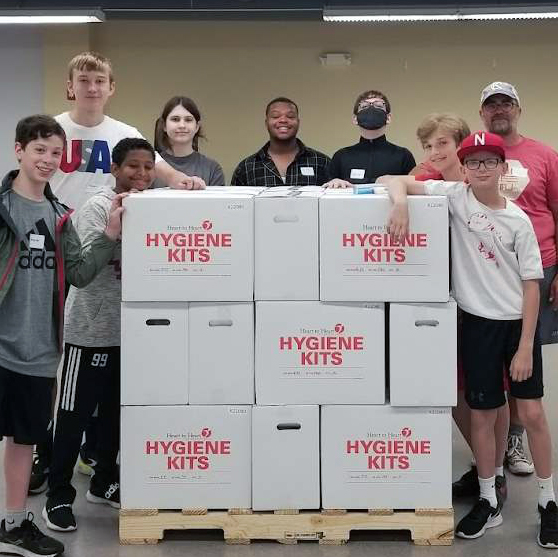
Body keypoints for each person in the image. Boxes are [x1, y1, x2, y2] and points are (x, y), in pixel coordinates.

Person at [29, 51, 207, 496]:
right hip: (58, 248)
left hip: (110, 254)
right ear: (71, 85)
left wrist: (181, 180)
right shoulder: (53, 129)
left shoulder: (124, 134)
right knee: (57, 371)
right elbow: (31, 173)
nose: (92, 87)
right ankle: (48, 460)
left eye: (100, 80)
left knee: (107, 391)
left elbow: (154, 168)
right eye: (84, 80)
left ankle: (97, 464)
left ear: (111, 86)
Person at [384, 130, 558, 547]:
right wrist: (402, 203)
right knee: (482, 414)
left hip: (517, 326)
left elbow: (532, 285)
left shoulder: (518, 220)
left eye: (489, 161)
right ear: (463, 169)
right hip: (477, 324)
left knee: (531, 414)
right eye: (473, 162)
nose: (481, 168)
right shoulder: (454, 196)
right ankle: (487, 499)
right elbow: (393, 180)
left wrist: (524, 346)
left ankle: (547, 502)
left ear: (503, 168)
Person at [0, 114, 126, 557]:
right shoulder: (2, 208)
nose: (48, 160)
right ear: (19, 150)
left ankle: (13, 524)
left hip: (38, 350)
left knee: (24, 440)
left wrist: (109, 235)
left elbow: (79, 273)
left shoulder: (60, 217)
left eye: (56, 153)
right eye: (40, 150)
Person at [43, 138, 156, 532]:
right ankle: (57, 495)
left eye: (147, 168)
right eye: (132, 167)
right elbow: (83, 269)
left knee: (114, 415)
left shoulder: (156, 208)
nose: (140, 176)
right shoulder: (95, 207)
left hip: (134, 333)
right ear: (115, 169)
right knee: (73, 417)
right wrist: (114, 230)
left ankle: (104, 481)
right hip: (90, 329)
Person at [454, 82, 558, 497]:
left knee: (524, 363)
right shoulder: (464, 177)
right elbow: (425, 177)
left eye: (506, 103)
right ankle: (490, 472)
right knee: (486, 386)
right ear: (482, 113)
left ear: (518, 108)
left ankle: (517, 440)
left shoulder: (543, 154)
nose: (500, 109)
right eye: (491, 104)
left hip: (538, 266)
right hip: (484, 278)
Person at [231, 96, 330, 187]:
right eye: (275, 116)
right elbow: (233, 204)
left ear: (298, 123)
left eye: (290, 116)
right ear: (266, 123)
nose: (283, 120)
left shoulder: (322, 162)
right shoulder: (246, 167)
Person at [325, 89, 416, 188]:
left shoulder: (403, 155)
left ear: (388, 118)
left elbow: (415, 188)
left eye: (379, 106)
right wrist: (334, 182)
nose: (371, 109)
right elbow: (328, 190)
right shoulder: (341, 156)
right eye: (364, 106)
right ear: (355, 119)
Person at [153, 96, 225, 187]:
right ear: (164, 126)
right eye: (175, 119)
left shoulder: (212, 169)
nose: (182, 125)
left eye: (188, 120)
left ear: (197, 127)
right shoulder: (151, 166)